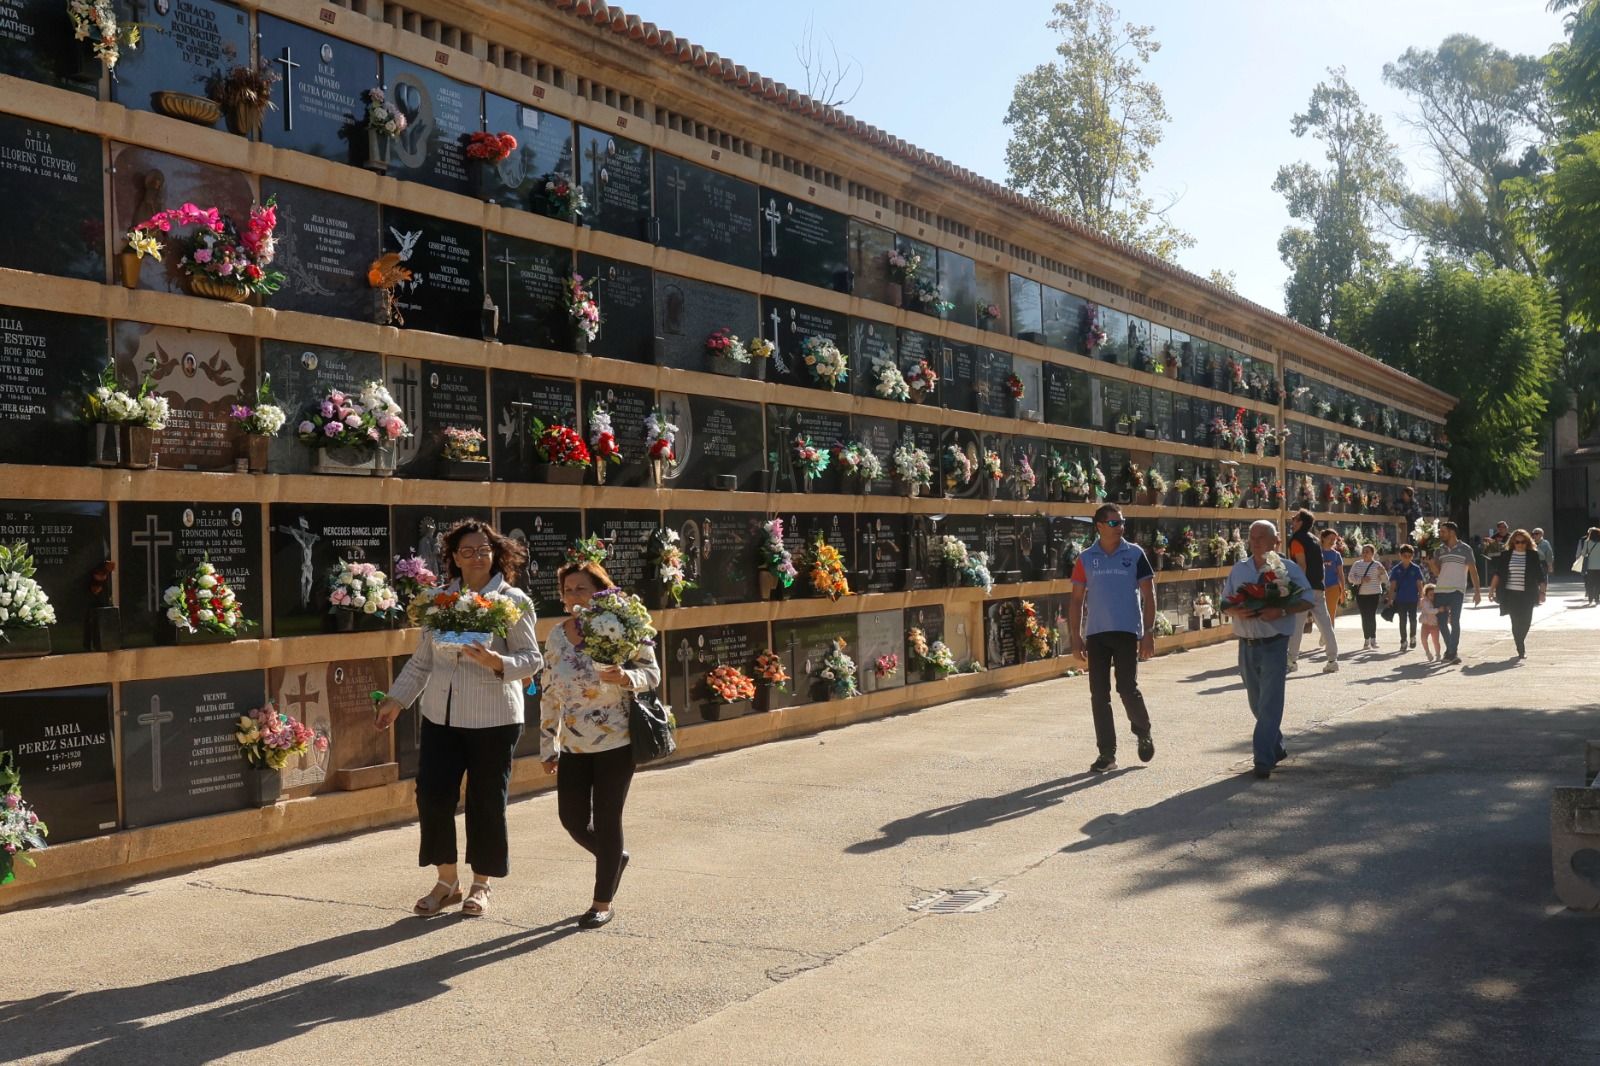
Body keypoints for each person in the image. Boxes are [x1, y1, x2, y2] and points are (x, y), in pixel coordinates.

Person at [376, 518, 543, 918]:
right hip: (441, 716)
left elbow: (531, 660)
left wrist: (496, 661)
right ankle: (446, 881)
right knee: (433, 796)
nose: (475, 557)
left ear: (495, 554)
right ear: (452, 556)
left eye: (483, 550)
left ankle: (481, 885)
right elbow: (422, 660)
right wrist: (397, 700)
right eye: (466, 551)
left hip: (493, 717)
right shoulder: (439, 600)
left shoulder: (512, 600)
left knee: (486, 801)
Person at [540, 560, 661, 929]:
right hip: (574, 746)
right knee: (572, 820)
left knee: (608, 819)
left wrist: (626, 676)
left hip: (616, 741)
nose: (575, 595)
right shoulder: (557, 636)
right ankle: (613, 858)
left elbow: (652, 674)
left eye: (582, 588)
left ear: (599, 593)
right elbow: (548, 692)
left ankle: (601, 901)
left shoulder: (624, 629)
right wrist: (548, 744)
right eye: (569, 590)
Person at [1220, 520, 1314, 780]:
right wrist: (1234, 609)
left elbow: (1307, 598)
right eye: (1252, 537)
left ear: (1275, 542)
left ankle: (1262, 759)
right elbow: (1224, 601)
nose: (1255, 541)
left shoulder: (1288, 568)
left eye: (1261, 537)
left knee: (1270, 703)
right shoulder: (1239, 569)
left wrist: (1281, 610)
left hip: (1274, 643)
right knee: (1257, 703)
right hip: (1246, 644)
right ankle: (1276, 747)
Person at [1068, 503, 1157, 773]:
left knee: (1127, 688)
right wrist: (1075, 636)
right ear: (1099, 526)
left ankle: (1143, 732)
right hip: (1096, 634)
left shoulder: (1135, 553)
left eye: (1122, 522)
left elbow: (1149, 595)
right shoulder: (1085, 558)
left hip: (1127, 631)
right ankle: (1107, 754)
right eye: (1114, 523)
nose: (1120, 527)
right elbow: (1075, 600)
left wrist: (1149, 633)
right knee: (1099, 694)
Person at [1285, 509, 1339, 674]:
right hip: (1317, 587)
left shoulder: (1296, 540)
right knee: (1325, 625)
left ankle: (1291, 661)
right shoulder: (1315, 540)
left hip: (1304, 589)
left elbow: (1301, 565)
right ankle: (1332, 660)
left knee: (1296, 626)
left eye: (1295, 518)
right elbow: (1320, 565)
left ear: (1300, 523)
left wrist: (1295, 588)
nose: (1292, 520)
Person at [1488, 528, 1547, 660]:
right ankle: (1520, 648)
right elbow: (1498, 573)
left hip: (1528, 594)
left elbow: (1540, 576)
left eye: (1523, 542)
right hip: (1511, 593)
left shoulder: (1532, 555)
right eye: (1517, 542)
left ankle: (1520, 641)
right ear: (1513, 542)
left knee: (1526, 621)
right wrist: (1491, 590)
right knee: (1515, 621)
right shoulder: (1506, 555)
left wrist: (1542, 592)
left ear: (1527, 542)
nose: (1520, 544)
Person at [1428, 521, 1480, 665]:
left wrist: (1477, 591)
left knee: (1455, 621)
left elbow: (1473, 571)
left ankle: (1451, 652)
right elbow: (1438, 573)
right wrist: (1431, 564)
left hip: (1457, 590)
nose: (1440, 534)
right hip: (1441, 590)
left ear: (1452, 532)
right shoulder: (1439, 550)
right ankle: (1451, 652)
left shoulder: (1465, 549)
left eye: (1443, 531)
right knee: (1442, 622)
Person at [1346, 544, 1388, 650]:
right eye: (1363, 551)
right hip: (1361, 594)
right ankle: (1366, 640)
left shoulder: (1377, 565)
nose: (1365, 553)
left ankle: (1373, 640)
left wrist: (1383, 573)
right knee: (1364, 617)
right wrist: (1361, 580)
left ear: (1372, 553)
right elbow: (1350, 578)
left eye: (1367, 552)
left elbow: (1385, 580)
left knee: (1371, 616)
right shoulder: (1357, 564)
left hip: (1374, 594)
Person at [1385, 545, 1426, 651]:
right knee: (1402, 621)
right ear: (1400, 556)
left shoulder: (1416, 569)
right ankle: (1403, 641)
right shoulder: (1396, 569)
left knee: (1413, 620)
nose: (1407, 558)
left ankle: (1412, 637)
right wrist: (1390, 599)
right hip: (1400, 600)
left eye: (1409, 556)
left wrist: (1421, 598)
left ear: (1412, 556)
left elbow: (1419, 585)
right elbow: (1392, 586)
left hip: (1413, 599)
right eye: (1404, 555)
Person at [1319, 529, 1345, 628]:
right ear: (1323, 538)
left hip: (1333, 587)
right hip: (1319, 588)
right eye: (1330, 538)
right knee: (1319, 614)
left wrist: (1342, 590)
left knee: (1331, 613)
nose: (1332, 541)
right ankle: (1324, 633)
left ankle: (1330, 637)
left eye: (1334, 539)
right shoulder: (1317, 552)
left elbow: (1341, 574)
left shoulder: (1336, 555)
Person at [1418, 583, 1445, 661]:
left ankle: (1438, 654)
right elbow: (1428, 610)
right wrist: (1438, 610)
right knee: (1423, 639)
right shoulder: (1424, 601)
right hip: (1425, 624)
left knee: (1436, 641)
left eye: (1434, 594)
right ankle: (1427, 652)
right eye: (1430, 594)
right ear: (1426, 594)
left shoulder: (1438, 602)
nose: (1432, 596)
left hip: (1434, 625)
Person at [1581, 528, 1600, 606]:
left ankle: (1590, 598)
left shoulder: (1587, 542)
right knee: (1598, 582)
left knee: (1590, 582)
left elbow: (1583, 553)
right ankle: (1597, 598)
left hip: (1590, 566)